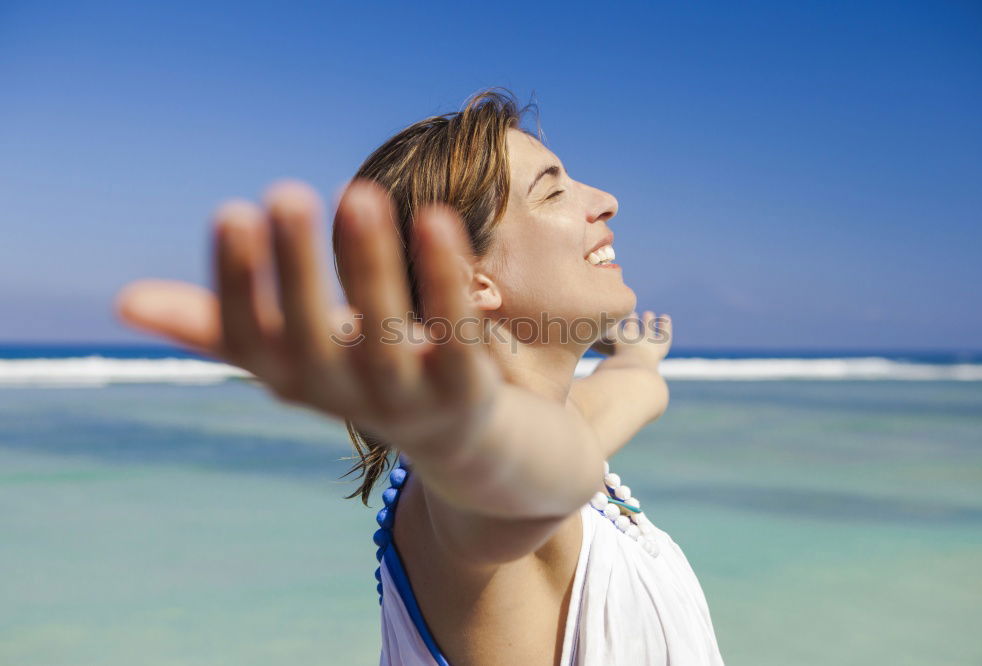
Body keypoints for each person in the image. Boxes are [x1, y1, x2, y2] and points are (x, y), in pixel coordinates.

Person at [116, 88, 725, 665]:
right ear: (472, 282)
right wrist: (460, 435)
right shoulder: (469, 491)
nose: (605, 199)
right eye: (551, 191)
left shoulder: (566, 425)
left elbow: (631, 394)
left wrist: (639, 355)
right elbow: (526, 471)